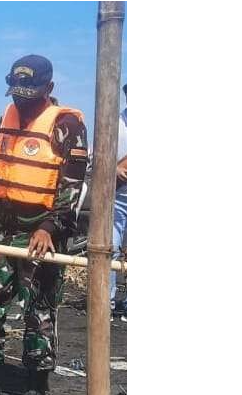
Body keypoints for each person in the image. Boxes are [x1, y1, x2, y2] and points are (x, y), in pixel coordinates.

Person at [0, 54, 89, 395]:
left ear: (50, 88)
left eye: (30, 93)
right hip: (2, 229)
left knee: (39, 310)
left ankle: (36, 384)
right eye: (16, 92)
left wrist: (49, 227)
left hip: (41, 233)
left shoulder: (67, 124)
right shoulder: (6, 118)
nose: (21, 100)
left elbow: (72, 186)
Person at [110, 83, 127, 321]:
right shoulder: (116, 125)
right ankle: (107, 301)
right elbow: (99, 157)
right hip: (118, 195)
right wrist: (113, 168)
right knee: (109, 249)